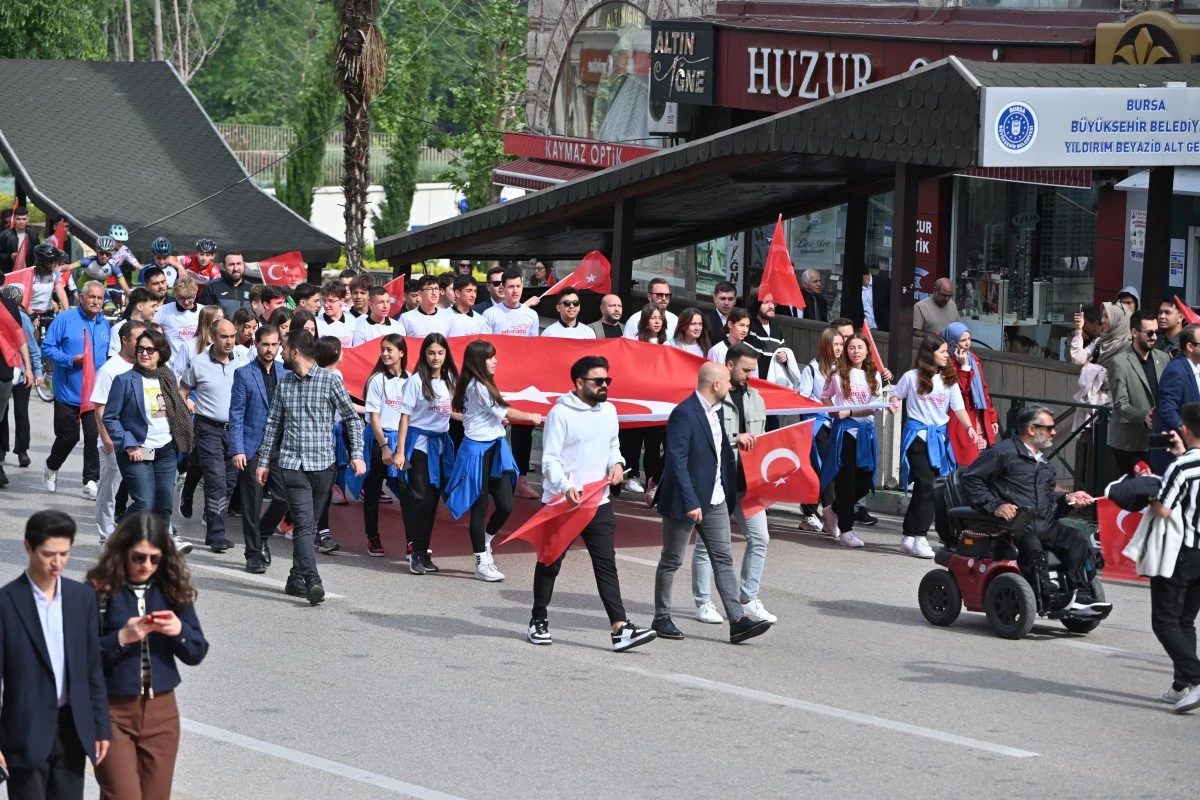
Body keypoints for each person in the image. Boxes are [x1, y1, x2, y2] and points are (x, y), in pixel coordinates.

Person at [527, 355, 657, 651]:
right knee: (549, 561)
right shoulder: (561, 413)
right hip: (563, 502)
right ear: (579, 383)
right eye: (598, 381)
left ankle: (620, 628)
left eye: (607, 381)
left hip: (598, 501)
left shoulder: (609, 411)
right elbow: (550, 460)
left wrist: (618, 464)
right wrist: (566, 486)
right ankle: (538, 619)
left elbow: (613, 446)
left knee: (605, 563)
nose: (604, 386)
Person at [87, 512, 208, 799]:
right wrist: (121, 638)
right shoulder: (98, 591)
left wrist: (178, 629)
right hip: (111, 711)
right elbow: (78, 658)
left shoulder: (171, 589)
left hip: (162, 713)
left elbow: (196, 651)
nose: (146, 565)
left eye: (155, 558)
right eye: (138, 557)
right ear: (122, 553)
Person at [651, 362, 772, 644]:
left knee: (723, 560)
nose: (732, 386)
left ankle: (738, 621)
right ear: (715, 385)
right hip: (686, 501)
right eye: (728, 382)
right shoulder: (684, 413)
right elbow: (676, 461)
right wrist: (690, 501)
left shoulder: (717, 412)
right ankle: (661, 617)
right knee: (672, 559)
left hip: (716, 499)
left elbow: (719, 455)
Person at [0, 511, 111, 800]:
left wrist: (100, 727)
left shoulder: (82, 598)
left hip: (73, 732)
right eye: (49, 554)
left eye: (64, 553)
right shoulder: (5, 603)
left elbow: (92, 669)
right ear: (28, 547)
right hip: (24, 733)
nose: (57, 562)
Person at [962, 405, 1111, 616]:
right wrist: (995, 505)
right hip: (1013, 526)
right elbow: (971, 478)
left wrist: (1068, 499)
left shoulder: (1044, 463)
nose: (1054, 432)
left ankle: (1081, 594)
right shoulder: (1003, 452)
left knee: (1076, 539)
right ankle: (1049, 597)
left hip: (1043, 523)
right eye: (1049, 428)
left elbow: (1048, 498)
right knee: (1032, 546)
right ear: (1031, 429)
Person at [256, 330, 366, 605]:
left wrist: (357, 454)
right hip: (293, 466)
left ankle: (295, 578)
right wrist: (264, 462)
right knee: (305, 525)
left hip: (323, 467)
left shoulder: (330, 381)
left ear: (295, 352)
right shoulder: (284, 384)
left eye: (283, 348)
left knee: (309, 525)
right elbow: (273, 425)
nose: (280, 353)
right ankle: (313, 581)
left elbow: (352, 419)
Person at [443, 340, 542, 582]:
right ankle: (480, 562)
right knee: (479, 509)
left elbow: (489, 414)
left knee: (506, 504)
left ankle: (486, 543)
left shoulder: (482, 384)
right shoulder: (478, 386)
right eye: (490, 357)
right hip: (476, 450)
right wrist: (532, 416)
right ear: (479, 361)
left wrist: (497, 421)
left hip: (495, 447)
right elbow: (506, 411)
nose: (495, 361)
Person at [691, 344, 776, 624]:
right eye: (746, 369)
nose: (750, 375)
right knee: (708, 547)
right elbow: (704, 441)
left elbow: (761, 439)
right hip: (717, 482)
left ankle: (748, 597)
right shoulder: (711, 399)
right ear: (729, 365)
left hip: (747, 483)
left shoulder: (757, 398)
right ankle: (703, 602)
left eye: (753, 369)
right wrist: (735, 438)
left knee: (760, 538)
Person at [892, 336, 980, 559]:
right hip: (917, 437)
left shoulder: (949, 379)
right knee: (927, 485)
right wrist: (893, 402)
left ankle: (909, 535)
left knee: (925, 489)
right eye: (941, 351)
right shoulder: (911, 377)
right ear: (929, 354)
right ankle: (921, 537)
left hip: (939, 439)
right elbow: (895, 395)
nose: (945, 355)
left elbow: (958, 407)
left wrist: (969, 427)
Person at [104, 329, 195, 528]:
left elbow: (175, 411)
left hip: (166, 450)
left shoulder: (167, 378)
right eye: (141, 349)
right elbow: (109, 418)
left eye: (150, 350)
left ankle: (158, 548)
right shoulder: (125, 380)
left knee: (163, 506)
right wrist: (128, 444)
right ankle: (119, 540)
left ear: (160, 354)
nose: (144, 353)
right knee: (144, 503)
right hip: (137, 449)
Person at [1146, 403, 1200, 713]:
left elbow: (1164, 508)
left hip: (1182, 552)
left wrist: (1147, 494)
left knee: (1164, 622)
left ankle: (1195, 677)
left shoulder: (1181, 468)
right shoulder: (1187, 463)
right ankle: (1182, 684)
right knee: (1185, 621)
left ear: (1186, 429)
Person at [91, 320, 160, 547]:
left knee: (143, 492)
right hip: (116, 441)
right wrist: (109, 442)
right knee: (110, 489)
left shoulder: (147, 368)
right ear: (124, 340)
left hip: (143, 442)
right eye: (138, 340)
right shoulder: (110, 370)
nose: (143, 345)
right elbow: (100, 409)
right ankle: (106, 533)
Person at [41, 280, 110, 497]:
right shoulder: (64, 319)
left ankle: (90, 480)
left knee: (93, 436)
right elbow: (47, 348)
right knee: (68, 438)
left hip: (94, 394)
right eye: (92, 297)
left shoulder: (103, 323)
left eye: (100, 298)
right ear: (81, 297)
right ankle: (52, 467)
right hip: (68, 392)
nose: (96, 302)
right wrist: (71, 360)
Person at [229, 324, 289, 575]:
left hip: (279, 446)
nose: (270, 349)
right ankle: (252, 554)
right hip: (253, 446)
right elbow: (237, 414)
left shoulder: (286, 372)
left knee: (284, 498)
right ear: (256, 344)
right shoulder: (244, 374)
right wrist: (238, 449)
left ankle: (262, 536)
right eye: (265, 344)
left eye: (274, 345)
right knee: (252, 502)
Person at [396, 333, 458, 573]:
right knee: (423, 498)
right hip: (419, 444)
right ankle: (415, 551)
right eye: (431, 352)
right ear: (424, 354)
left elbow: (451, 413)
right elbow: (405, 417)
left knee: (432, 502)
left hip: (440, 446)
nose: (436, 357)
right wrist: (400, 451)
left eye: (440, 353)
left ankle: (423, 550)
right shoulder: (415, 381)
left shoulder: (450, 379)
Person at [820, 333, 888, 548]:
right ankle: (846, 531)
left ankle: (834, 509)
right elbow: (825, 396)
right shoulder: (837, 374)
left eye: (860, 347)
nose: (856, 351)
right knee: (846, 481)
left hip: (866, 433)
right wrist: (833, 411)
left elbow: (874, 407)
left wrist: (848, 411)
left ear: (867, 350)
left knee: (864, 483)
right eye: (852, 347)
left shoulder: (873, 375)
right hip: (845, 433)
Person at [180, 319, 240, 553]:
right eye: (224, 337)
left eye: (232, 336)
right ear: (213, 337)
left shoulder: (243, 361)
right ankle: (217, 535)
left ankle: (213, 526)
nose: (229, 341)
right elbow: (182, 391)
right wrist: (188, 407)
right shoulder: (199, 363)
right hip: (208, 430)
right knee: (215, 481)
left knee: (228, 484)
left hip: (235, 431)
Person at [483, 269, 540, 499]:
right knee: (495, 425)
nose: (515, 291)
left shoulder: (531, 315)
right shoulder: (490, 314)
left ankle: (522, 479)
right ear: (502, 288)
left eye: (518, 286)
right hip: (498, 379)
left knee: (522, 430)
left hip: (523, 379)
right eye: (510, 287)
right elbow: (485, 350)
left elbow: (534, 348)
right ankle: (489, 476)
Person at [359, 334, 412, 559]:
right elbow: (374, 417)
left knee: (407, 492)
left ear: (402, 352)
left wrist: (400, 448)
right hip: (378, 442)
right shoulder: (376, 380)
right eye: (383, 349)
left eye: (390, 349)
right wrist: (384, 447)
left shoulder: (410, 379)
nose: (386, 353)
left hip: (400, 442)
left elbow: (408, 416)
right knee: (372, 492)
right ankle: (373, 537)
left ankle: (413, 540)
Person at [1109, 311, 1169, 476]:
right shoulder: (1119, 362)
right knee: (1138, 493)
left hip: (1158, 441)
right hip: (1129, 443)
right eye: (1149, 333)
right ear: (1134, 332)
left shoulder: (1163, 358)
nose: (1154, 337)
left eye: (1157, 332)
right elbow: (1121, 404)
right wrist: (1144, 417)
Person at [795, 327, 843, 534]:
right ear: (825, 345)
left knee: (834, 469)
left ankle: (817, 513)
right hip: (818, 424)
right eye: (836, 344)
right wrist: (822, 408)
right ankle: (823, 514)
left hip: (839, 423)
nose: (840, 348)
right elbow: (803, 397)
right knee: (823, 468)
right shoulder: (812, 369)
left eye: (842, 344)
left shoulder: (846, 368)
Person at [943, 322, 1000, 467]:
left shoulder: (973, 358)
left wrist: (992, 417)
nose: (967, 343)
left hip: (979, 415)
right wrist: (964, 367)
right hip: (960, 417)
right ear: (952, 341)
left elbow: (983, 388)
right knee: (963, 459)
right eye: (962, 340)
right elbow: (960, 390)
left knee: (983, 458)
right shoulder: (946, 361)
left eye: (969, 339)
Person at [0, 284, 41, 470]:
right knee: (3, 413)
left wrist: (34, 371)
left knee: (20, 412)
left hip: (21, 372)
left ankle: (22, 450)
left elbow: (31, 347)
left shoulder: (22, 319)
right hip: (7, 371)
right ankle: (3, 449)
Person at [1151, 325, 1200, 475]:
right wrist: (1191, 434)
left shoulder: (1195, 367)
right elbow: (1167, 410)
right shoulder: (1176, 371)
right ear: (1190, 347)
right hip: (1172, 455)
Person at [154, 275, 201, 358]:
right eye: (181, 298)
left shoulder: (203, 311)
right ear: (175, 295)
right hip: (172, 366)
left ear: (195, 293)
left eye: (190, 297)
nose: (186, 302)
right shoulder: (163, 311)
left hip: (196, 364)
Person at [107, 288, 160, 359]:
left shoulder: (154, 328)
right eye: (153, 306)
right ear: (140, 307)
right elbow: (114, 358)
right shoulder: (118, 329)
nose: (156, 310)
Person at [197, 252, 252, 318]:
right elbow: (204, 317)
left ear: (244, 264)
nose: (236, 268)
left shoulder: (251, 288)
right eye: (231, 264)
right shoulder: (211, 287)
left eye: (239, 264)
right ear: (224, 266)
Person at [747, 295, 787, 382]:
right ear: (756, 305)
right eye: (766, 302)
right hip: (753, 382)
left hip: (772, 384)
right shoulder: (749, 327)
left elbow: (785, 352)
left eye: (773, 303)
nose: (771, 306)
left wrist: (785, 356)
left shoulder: (777, 331)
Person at [28, 244, 70, 321]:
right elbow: (23, 299)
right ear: (46, 263)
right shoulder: (29, 274)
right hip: (31, 313)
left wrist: (67, 311)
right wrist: (32, 314)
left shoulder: (55, 272)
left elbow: (60, 291)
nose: (57, 264)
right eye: (55, 262)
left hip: (47, 312)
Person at [0, 206, 40, 273]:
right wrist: (10, 256)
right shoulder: (4, 235)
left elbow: (37, 256)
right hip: (10, 272)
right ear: (14, 219)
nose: (21, 222)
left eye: (24, 219)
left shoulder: (33, 236)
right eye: (18, 219)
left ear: (28, 219)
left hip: (27, 272)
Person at [316, 280, 354, 349]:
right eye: (324, 301)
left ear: (342, 301)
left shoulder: (352, 320)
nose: (326, 305)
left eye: (331, 301)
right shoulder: (316, 323)